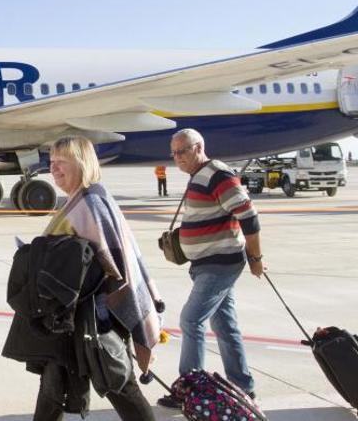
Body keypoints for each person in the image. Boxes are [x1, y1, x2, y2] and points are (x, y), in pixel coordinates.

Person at [32, 136, 162, 420]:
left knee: (118, 383)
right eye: (51, 163)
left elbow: (116, 268)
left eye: (61, 162)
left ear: (81, 163)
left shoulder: (92, 202)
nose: (53, 169)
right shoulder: (76, 200)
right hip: (70, 317)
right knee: (54, 383)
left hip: (96, 318)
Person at [158, 128, 264, 408]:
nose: (177, 158)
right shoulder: (199, 176)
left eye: (182, 151)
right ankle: (243, 385)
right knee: (225, 327)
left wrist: (256, 258)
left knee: (191, 320)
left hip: (221, 262)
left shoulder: (218, 174)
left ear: (199, 147)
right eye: (174, 153)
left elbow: (249, 217)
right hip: (206, 263)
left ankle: (188, 388)